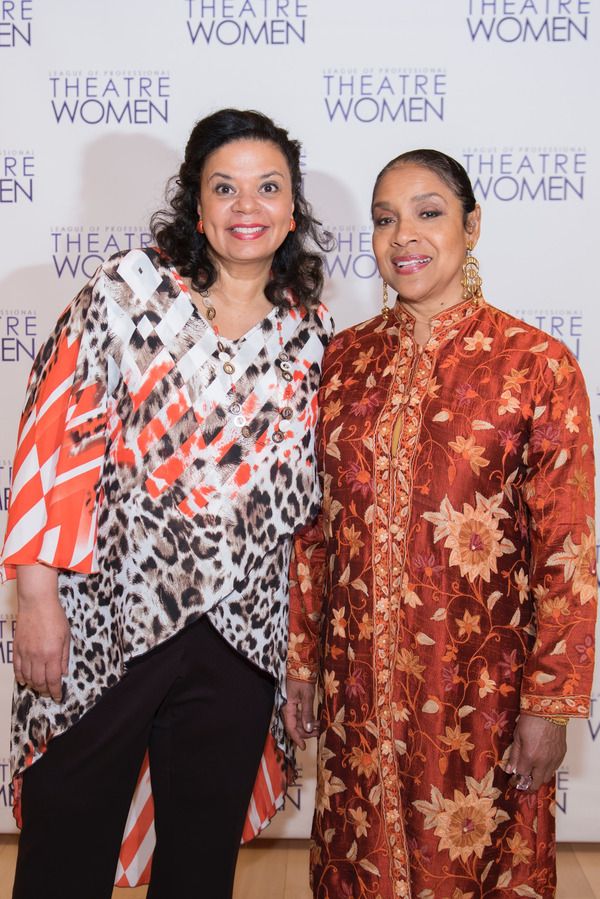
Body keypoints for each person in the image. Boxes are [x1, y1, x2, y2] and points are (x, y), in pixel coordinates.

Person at [0, 108, 334, 899]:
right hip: (107, 619)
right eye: (225, 187)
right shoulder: (125, 295)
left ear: (292, 210)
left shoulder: (312, 331)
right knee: (65, 838)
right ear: (195, 203)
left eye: (267, 189)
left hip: (242, 636)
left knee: (199, 862)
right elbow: (53, 440)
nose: (246, 207)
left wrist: (298, 655)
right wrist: (35, 596)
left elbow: (312, 509)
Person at [284, 149, 597, 898]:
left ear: (473, 226)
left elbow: (569, 549)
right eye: (385, 219)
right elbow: (314, 528)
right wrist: (302, 660)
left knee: (473, 868)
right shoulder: (343, 362)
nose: (404, 237)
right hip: (357, 684)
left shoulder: (537, 365)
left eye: (428, 213)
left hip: (478, 693)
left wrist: (551, 703)